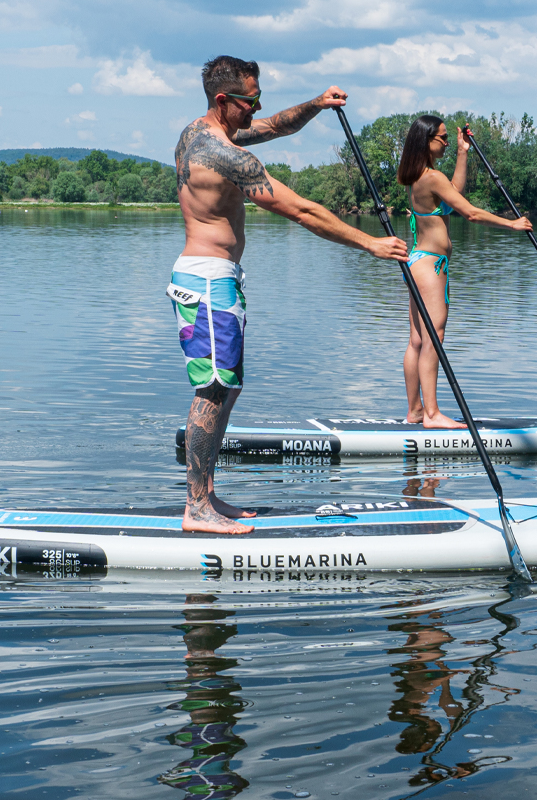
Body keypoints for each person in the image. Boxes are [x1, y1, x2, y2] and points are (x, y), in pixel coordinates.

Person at [170, 55, 408, 534]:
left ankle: (208, 496)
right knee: (212, 391)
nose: (257, 109)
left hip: (217, 279)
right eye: (250, 101)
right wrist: (369, 244)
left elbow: (275, 127)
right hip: (208, 281)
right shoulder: (225, 155)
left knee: (226, 388)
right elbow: (302, 210)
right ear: (224, 100)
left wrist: (317, 105)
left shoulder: (202, 131)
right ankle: (196, 508)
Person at [397, 116, 532, 429]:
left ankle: (416, 411)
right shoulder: (430, 177)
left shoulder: (420, 175)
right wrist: (511, 224)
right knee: (434, 338)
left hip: (416, 262)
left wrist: (462, 152)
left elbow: (454, 190)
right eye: (442, 138)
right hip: (431, 266)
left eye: (447, 138)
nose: (445, 141)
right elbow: (469, 212)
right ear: (426, 140)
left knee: (417, 341)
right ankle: (431, 415)